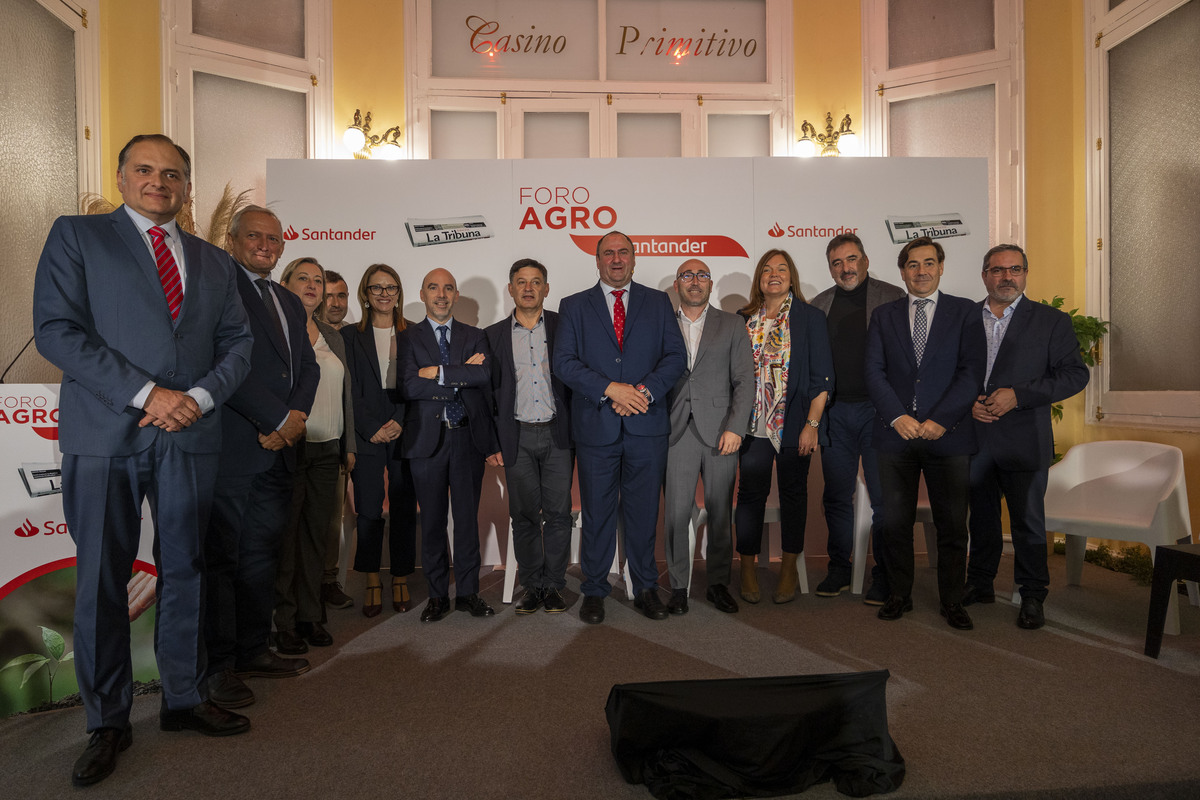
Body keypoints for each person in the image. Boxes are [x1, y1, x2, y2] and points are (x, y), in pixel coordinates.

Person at [33, 133, 253, 786]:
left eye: (174, 173)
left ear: (187, 186)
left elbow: (238, 341)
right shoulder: (77, 237)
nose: (160, 181)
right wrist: (147, 393)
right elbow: (56, 330)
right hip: (106, 434)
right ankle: (107, 720)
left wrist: (201, 396)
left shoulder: (215, 262)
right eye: (146, 170)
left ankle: (184, 698)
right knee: (102, 576)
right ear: (123, 177)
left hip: (190, 434)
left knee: (186, 568)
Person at [204, 205, 319, 708]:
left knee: (260, 559)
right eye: (255, 236)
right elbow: (221, 364)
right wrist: (274, 419)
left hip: (280, 450)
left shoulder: (289, 302)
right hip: (235, 447)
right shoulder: (217, 288)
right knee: (222, 561)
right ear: (232, 240)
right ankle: (219, 665)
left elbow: (308, 368)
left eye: (274, 239)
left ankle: (254, 647)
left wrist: (294, 418)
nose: (266, 245)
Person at [555, 231, 687, 624]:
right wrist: (610, 388)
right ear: (597, 261)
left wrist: (641, 392)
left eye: (623, 252)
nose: (616, 259)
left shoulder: (659, 301)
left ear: (634, 259)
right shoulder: (574, 306)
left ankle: (645, 587)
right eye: (608, 253)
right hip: (597, 428)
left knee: (644, 512)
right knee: (597, 513)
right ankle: (594, 589)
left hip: (646, 427)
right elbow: (564, 362)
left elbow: (675, 357)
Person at [963, 244, 1089, 629]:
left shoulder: (1051, 321)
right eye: (997, 270)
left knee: (1028, 522)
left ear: (1025, 273)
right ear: (984, 275)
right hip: (974, 435)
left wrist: (1019, 395)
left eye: (1014, 269)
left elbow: (1074, 374)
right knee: (981, 519)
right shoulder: (964, 318)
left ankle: (1032, 594)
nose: (1006, 276)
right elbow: (950, 373)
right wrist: (968, 403)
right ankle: (980, 584)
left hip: (1024, 438)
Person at [864, 236, 985, 630]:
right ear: (902, 271)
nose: (921, 271)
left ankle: (953, 601)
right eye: (913, 265)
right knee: (895, 523)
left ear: (941, 267)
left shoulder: (965, 312)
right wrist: (898, 416)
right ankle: (900, 595)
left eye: (929, 263)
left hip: (946, 436)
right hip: (895, 434)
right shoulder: (884, 315)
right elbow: (873, 372)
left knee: (951, 525)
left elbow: (971, 373)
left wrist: (942, 419)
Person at [398, 268, 500, 623]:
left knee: (467, 521)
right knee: (432, 523)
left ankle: (469, 592)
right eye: (433, 288)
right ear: (423, 294)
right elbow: (409, 386)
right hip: (426, 441)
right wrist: (459, 374)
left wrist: (438, 372)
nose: (441, 294)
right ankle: (438, 595)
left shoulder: (475, 336)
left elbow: (482, 375)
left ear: (456, 296)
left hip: (466, 438)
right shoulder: (409, 337)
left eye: (448, 288)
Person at [809, 234, 906, 604]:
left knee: (883, 499)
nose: (845, 268)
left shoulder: (894, 296)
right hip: (836, 413)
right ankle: (839, 568)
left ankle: (883, 574)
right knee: (836, 496)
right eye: (837, 262)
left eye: (851, 259)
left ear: (865, 260)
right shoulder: (819, 305)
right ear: (830, 267)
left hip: (879, 413)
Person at [734, 250, 834, 605]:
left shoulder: (810, 318)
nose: (773, 274)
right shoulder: (743, 319)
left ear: (791, 277)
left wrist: (812, 425)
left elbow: (823, 377)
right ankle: (747, 566)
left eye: (781, 269)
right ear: (759, 278)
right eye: (766, 269)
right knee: (749, 497)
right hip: (751, 427)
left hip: (794, 426)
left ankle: (789, 566)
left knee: (794, 496)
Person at [272, 257, 356, 652]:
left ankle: (310, 616)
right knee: (286, 538)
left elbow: (347, 396)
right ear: (284, 283)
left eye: (317, 280)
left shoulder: (331, 335)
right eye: (302, 278)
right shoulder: (273, 330)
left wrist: (349, 445)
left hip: (329, 448)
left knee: (316, 540)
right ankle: (283, 622)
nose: (311, 285)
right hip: (288, 448)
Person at [662, 259, 755, 614]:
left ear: (711, 284)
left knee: (719, 513)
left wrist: (735, 426)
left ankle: (717, 584)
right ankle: (678, 586)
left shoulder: (732, 324)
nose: (695, 281)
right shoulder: (662, 324)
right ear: (677, 284)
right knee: (675, 514)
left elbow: (745, 380)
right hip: (675, 431)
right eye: (688, 275)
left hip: (721, 432)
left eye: (702, 275)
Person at [484, 259, 574, 614]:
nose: (528, 288)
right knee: (523, 516)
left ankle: (554, 586)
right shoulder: (491, 336)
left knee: (558, 514)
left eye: (536, 282)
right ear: (510, 289)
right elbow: (487, 396)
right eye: (521, 282)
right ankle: (532, 586)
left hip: (558, 434)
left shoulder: (564, 326)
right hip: (516, 435)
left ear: (547, 288)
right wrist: (492, 443)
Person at [341, 264, 419, 616]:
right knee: (369, 510)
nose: (384, 294)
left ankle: (401, 575)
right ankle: (372, 577)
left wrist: (399, 421)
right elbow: (349, 389)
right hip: (367, 431)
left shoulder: (415, 334)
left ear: (399, 293)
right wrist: (370, 426)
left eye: (391, 287)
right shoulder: (349, 336)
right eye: (377, 288)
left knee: (403, 507)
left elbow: (419, 386)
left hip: (405, 429)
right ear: (365, 294)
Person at [316, 267, 355, 611]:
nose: (335, 302)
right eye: (329, 295)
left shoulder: (344, 337)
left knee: (332, 519)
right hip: (300, 439)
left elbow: (350, 398)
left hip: (338, 440)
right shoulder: (300, 332)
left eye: (341, 295)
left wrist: (350, 445)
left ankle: (328, 581)